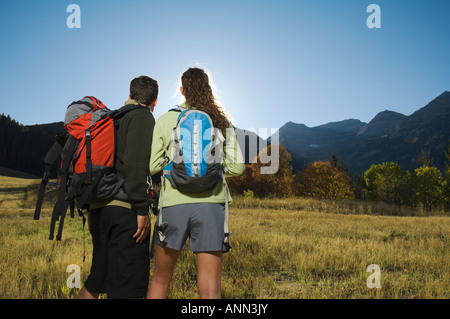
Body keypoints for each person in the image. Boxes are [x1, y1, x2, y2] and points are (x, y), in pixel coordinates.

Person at [146, 68, 244, 299]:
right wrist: (214, 171)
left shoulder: (166, 119)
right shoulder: (220, 120)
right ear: (208, 89)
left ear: (181, 90)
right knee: (211, 289)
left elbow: (151, 167)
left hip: (173, 204)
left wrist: (171, 167)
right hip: (211, 205)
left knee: (160, 280)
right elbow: (238, 167)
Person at [76, 75, 158, 299]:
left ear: (129, 95)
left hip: (98, 209)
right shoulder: (142, 117)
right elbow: (135, 166)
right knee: (128, 287)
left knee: (97, 279)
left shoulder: (111, 118)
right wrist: (142, 209)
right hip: (123, 211)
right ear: (155, 101)